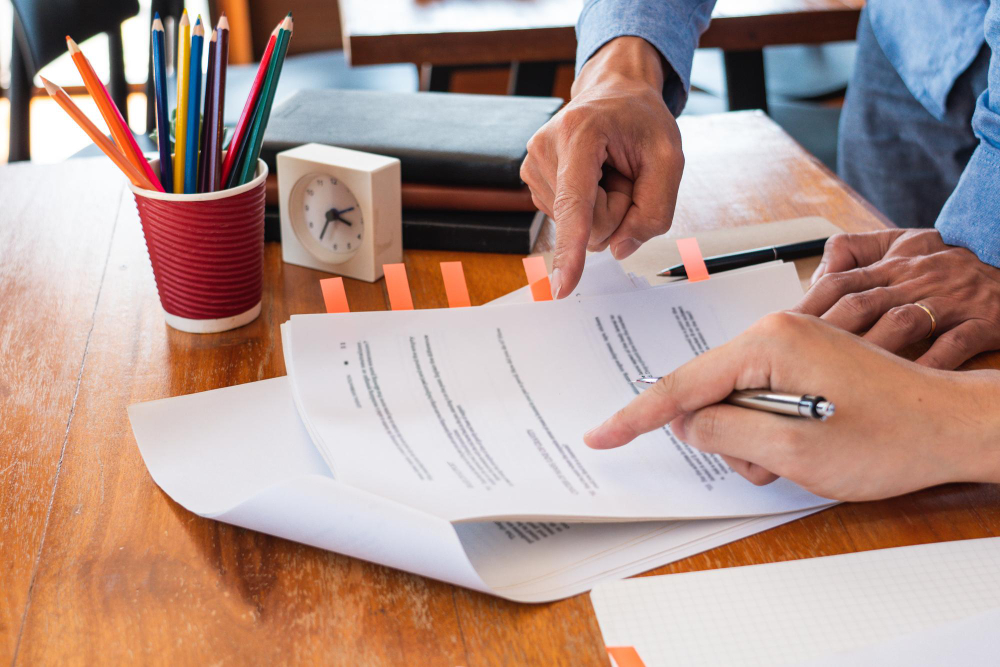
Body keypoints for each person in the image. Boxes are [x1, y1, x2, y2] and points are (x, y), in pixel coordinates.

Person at [520, 0, 1000, 497]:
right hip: (918, 29)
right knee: (888, 317)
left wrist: (987, 246)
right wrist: (619, 68)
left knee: (922, 361)